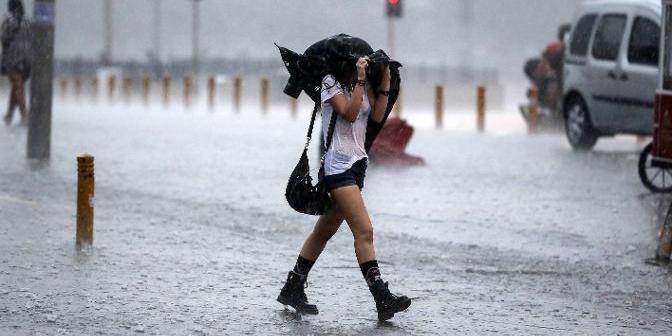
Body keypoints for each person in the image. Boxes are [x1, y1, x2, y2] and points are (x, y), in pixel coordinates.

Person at [277, 56, 412, 321]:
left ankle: (293, 286)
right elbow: (349, 113)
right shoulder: (330, 83)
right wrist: (360, 79)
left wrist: (383, 81)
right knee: (364, 231)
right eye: (356, 63)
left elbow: (376, 115)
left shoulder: (363, 85)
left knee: (324, 230)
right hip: (338, 166)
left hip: (357, 165)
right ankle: (381, 297)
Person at [1, 0, 32, 126]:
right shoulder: (28, 21)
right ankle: (9, 114)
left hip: (12, 58)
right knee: (17, 86)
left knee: (17, 86)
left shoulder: (8, 21)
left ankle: (24, 115)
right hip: (27, 58)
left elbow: (3, 37)